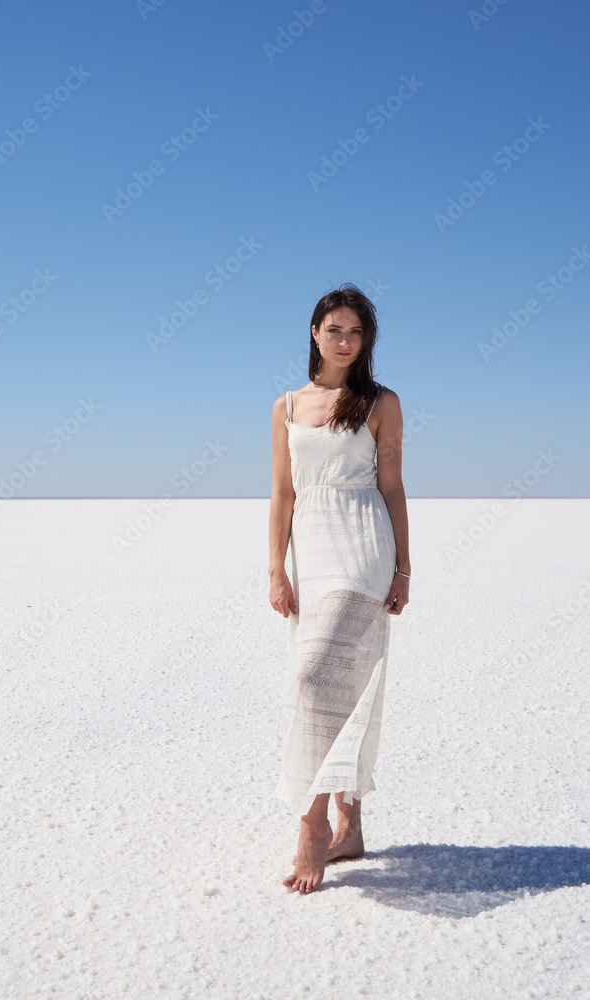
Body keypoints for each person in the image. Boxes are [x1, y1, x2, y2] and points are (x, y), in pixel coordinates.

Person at [268, 283, 411, 894]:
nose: (345, 340)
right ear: (314, 332)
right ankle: (350, 824)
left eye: (356, 331)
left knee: (314, 678)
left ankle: (312, 827)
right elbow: (283, 492)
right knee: (337, 681)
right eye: (335, 330)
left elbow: (394, 486)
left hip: (363, 546)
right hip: (313, 550)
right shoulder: (287, 406)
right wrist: (276, 567)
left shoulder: (380, 401)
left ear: (366, 340)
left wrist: (403, 567)